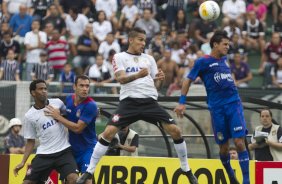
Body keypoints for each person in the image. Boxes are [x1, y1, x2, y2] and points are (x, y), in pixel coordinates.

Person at [76, 27, 198, 184]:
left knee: (176, 131)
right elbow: (120, 79)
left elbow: (157, 87)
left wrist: (160, 78)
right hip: (129, 102)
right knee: (108, 132)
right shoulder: (119, 57)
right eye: (140, 40)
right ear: (131, 39)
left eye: (145, 41)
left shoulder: (150, 59)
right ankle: (89, 172)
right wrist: (137, 75)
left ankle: (186, 169)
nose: (143, 43)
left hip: (150, 102)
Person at [174, 30, 250, 184]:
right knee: (223, 148)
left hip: (233, 104)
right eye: (225, 44)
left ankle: (246, 181)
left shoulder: (225, 60)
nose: (228, 47)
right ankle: (230, 176)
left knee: (240, 142)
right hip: (217, 109)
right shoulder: (203, 62)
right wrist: (182, 102)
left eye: (228, 44)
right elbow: (188, 80)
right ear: (215, 45)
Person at [13, 79, 78, 184]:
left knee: (74, 179)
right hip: (44, 155)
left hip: (63, 151)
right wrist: (23, 162)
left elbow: (71, 118)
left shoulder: (57, 103)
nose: (44, 91)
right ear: (33, 93)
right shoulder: (29, 116)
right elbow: (30, 141)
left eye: (45, 89)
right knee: (27, 183)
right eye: (40, 89)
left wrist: (60, 115)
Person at [46, 75, 98, 184]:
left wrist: (58, 117)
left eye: (87, 86)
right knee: (69, 180)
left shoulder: (90, 105)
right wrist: (58, 114)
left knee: (86, 180)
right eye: (81, 85)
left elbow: (78, 128)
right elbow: (66, 115)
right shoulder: (69, 99)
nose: (85, 89)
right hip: (71, 149)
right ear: (74, 87)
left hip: (88, 149)